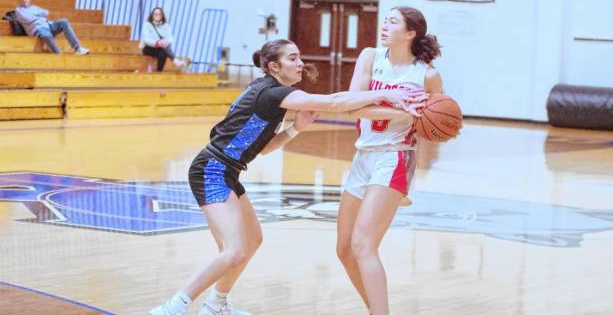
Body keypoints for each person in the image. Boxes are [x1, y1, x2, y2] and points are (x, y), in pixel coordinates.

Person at [149, 38, 428, 315]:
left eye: (299, 57)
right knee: (233, 250)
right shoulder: (272, 94)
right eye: (292, 58)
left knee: (252, 240)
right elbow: (334, 101)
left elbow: (263, 148)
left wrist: (296, 128)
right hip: (211, 170)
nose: (300, 63)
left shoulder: (271, 94)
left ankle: (216, 305)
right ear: (274, 66)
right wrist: (386, 95)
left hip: (226, 171)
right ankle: (174, 307)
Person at [336, 6, 443, 315]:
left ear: (410, 33)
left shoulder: (427, 76)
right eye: (386, 20)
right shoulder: (370, 57)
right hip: (362, 156)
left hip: (395, 156)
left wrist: (426, 120)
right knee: (344, 249)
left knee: (363, 245)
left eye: (393, 22)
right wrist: (400, 109)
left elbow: (435, 123)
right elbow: (352, 108)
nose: (384, 26)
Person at [14, 0, 90, 54]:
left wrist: (35, 14)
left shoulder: (34, 7)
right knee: (46, 35)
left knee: (64, 21)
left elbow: (46, 12)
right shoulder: (18, 11)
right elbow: (28, 19)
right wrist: (38, 14)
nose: (24, 0)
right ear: (19, 0)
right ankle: (58, 53)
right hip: (38, 29)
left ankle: (77, 48)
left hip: (49, 25)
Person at [140, 7, 185, 71]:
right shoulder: (147, 24)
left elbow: (170, 38)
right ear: (152, 15)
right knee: (163, 48)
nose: (157, 16)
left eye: (159, 14)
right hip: (148, 47)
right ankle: (175, 60)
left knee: (163, 52)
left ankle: (159, 71)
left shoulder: (166, 25)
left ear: (162, 15)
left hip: (161, 48)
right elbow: (146, 39)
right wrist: (157, 43)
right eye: (155, 14)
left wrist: (164, 42)